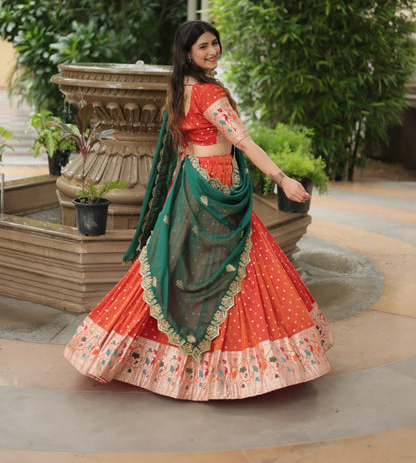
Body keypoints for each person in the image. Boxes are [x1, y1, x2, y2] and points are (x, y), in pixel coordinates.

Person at [64, 20, 334, 400]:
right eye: (203, 47)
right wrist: (282, 178)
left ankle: (118, 352)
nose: (212, 52)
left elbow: (184, 145)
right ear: (187, 53)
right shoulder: (207, 94)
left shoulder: (180, 88)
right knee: (233, 268)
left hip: (192, 182)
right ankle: (227, 370)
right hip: (215, 183)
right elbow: (244, 141)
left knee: (173, 268)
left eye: (215, 44)